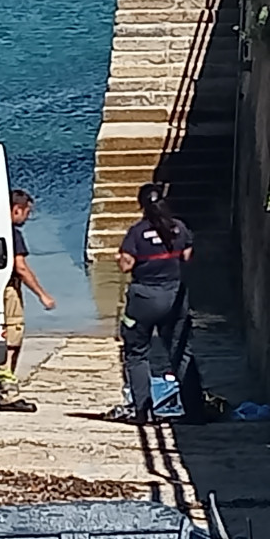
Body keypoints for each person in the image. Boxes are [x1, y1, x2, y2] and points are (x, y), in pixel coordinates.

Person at [112, 182, 204, 425]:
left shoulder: (137, 233)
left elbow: (126, 265)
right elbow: (187, 256)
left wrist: (119, 258)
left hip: (144, 299)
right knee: (180, 352)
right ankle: (195, 411)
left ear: (141, 205)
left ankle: (143, 411)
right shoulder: (179, 228)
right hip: (175, 297)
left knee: (137, 354)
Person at [0, 189, 56, 411]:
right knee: (11, 338)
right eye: (27, 212)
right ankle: (7, 392)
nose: (27, 217)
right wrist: (42, 294)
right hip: (8, 291)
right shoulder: (11, 233)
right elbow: (20, 267)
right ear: (16, 210)